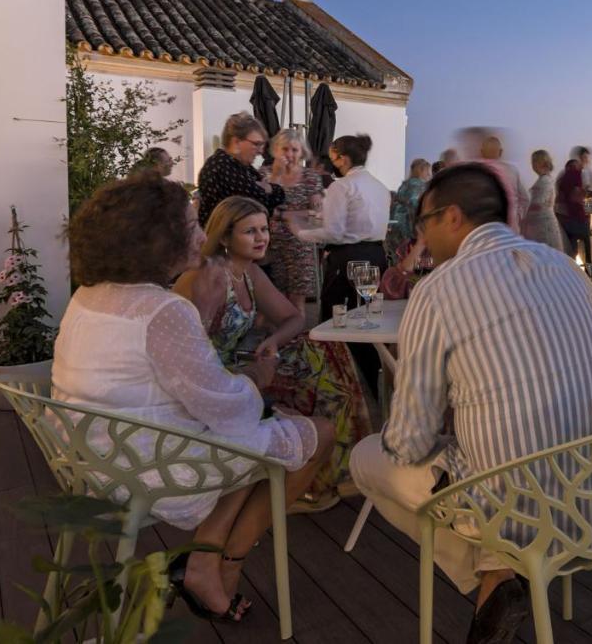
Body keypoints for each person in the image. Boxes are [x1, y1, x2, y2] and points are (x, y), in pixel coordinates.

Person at [348, 164, 592, 643]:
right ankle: (498, 575)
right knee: (491, 441)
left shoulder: (438, 291)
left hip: (522, 511)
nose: (422, 239)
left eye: (424, 223)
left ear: (452, 217)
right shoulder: (565, 268)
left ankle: (494, 576)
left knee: (368, 458)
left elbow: (409, 444)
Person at [53, 175, 335, 622]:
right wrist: (258, 378)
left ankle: (205, 560)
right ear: (155, 239)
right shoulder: (161, 310)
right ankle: (219, 560)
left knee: (261, 428)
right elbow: (227, 408)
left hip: (92, 456)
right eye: (190, 225)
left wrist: (246, 394)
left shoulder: (88, 297)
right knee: (315, 432)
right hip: (151, 466)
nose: (204, 236)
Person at [175, 196, 372, 510]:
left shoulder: (249, 273)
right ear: (224, 236)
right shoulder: (209, 275)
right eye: (250, 231)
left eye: (264, 229)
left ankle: (322, 472)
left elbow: (293, 317)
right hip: (209, 379)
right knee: (320, 365)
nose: (261, 237)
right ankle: (316, 471)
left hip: (240, 364)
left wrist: (273, 342)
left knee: (326, 349)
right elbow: (189, 350)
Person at [287, 134, 391, 394]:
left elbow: (334, 233)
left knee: (335, 319)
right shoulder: (379, 186)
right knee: (369, 319)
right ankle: (371, 384)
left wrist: (300, 232)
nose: (331, 162)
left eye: (333, 157)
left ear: (342, 158)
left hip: (347, 259)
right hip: (377, 256)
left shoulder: (342, 186)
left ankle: (336, 383)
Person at [264, 130, 324, 312]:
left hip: (301, 246)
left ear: (302, 152)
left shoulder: (310, 177)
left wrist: (285, 214)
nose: (289, 154)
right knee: (274, 301)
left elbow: (316, 212)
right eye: (285, 149)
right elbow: (261, 205)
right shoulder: (264, 174)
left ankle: (296, 339)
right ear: (276, 150)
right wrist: (275, 176)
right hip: (269, 245)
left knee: (297, 302)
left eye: (294, 150)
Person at [197, 113, 285, 226]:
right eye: (256, 144)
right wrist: (275, 179)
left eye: (262, 145)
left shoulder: (241, 166)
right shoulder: (222, 166)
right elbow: (265, 205)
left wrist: (269, 189)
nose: (260, 151)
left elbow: (274, 196)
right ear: (236, 142)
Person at [479, 134, 530, 229]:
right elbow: (525, 199)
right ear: (501, 152)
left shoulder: (476, 172)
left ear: (481, 152)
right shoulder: (512, 170)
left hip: (486, 229)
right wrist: (517, 216)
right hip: (511, 227)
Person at [387, 158, 431, 258]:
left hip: (395, 232)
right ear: (422, 170)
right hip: (409, 234)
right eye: (427, 172)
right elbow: (416, 211)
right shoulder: (419, 187)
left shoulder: (404, 186)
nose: (429, 175)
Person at [522, 149, 564, 251]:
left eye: (534, 161)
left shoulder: (545, 180)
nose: (532, 165)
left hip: (544, 225)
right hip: (539, 224)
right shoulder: (544, 179)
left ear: (540, 162)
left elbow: (539, 203)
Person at [555, 158, 592, 263]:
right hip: (570, 220)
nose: (578, 169)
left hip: (563, 221)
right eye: (575, 167)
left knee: (573, 244)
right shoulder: (572, 178)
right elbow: (578, 195)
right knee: (586, 235)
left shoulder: (561, 181)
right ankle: (589, 267)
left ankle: (574, 267)